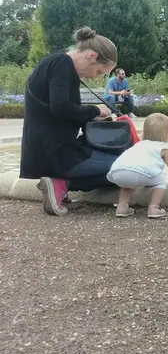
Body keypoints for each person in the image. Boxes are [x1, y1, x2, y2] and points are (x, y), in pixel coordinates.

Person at [20, 26, 118, 216]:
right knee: (125, 166)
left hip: (48, 147)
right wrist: (95, 110)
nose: (94, 77)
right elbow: (60, 107)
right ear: (91, 55)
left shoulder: (56, 62)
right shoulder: (62, 65)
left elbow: (56, 109)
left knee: (122, 166)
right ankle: (60, 182)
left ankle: (59, 186)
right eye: (98, 71)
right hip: (56, 151)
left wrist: (91, 115)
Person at [107, 113, 168, 219]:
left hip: (118, 172)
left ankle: (122, 207)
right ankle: (154, 207)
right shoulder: (164, 148)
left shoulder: (138, 145)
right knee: (161, 178)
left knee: (127, 183)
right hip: (138, 174)